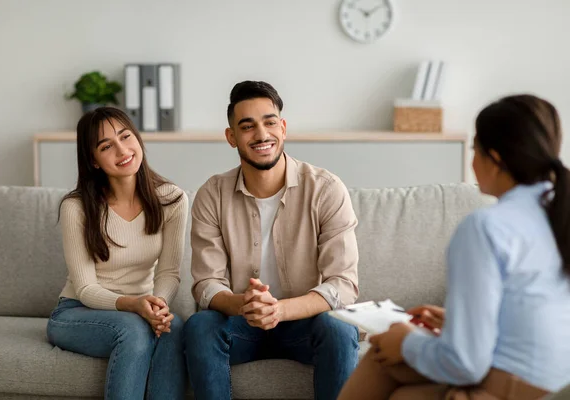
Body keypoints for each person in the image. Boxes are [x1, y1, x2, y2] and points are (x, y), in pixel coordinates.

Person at [338, 94, 570, 400]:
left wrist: (404, 342)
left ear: (495, 158)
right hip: (556, 385)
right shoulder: (558, 211)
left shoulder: (487, 226)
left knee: (383, 354)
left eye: (475, 149)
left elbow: (466, 365)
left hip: (518, 389)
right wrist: (458, 322)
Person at [183, 81, 360, 400]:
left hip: (304, 324)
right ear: (231, 137)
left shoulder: (325, 189)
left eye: (269, 122)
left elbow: (343, 284)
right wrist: (246, 305)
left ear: (283, 127)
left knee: (340, 328)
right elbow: (207, 284)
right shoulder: (212, 193)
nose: (261, 134)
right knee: (200, 326)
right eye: (247, 126)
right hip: (240, 324)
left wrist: (279, 310)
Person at [46, 107, 188, 400]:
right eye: (106, 146)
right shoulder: (77, 208)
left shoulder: (172, 200)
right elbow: (85, 288)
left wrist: (158, 306)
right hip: (76, 312)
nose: (122, 150)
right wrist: (135, 305)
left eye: (125, 136)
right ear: (94, 161)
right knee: (134, 331)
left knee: (175, 327)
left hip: (141, 309)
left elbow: (169, 272)